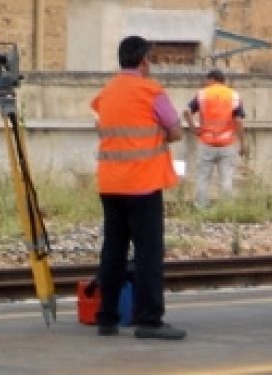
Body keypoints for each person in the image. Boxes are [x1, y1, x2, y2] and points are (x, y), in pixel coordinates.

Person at [90, 35, 187, 340]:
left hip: (110, 184)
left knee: (113, 251)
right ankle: (149, 320)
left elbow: (102, 126)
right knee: (148, 254)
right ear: (144, 60)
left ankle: (107, 318)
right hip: (143, 185)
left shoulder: (105, 93)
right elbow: (175, 132)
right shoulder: (151, 91)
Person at [182, 68, 246, 209]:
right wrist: (242, 143)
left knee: (203, 177)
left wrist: (194, 129)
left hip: (207, 142)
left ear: (212, 79)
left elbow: (186, 111)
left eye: (207, 80)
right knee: (226, 178)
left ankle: (201, 208)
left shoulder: (202, 94)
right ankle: (226, 209)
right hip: (227, 144)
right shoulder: (234, 95)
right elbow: (239, 121)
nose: (205, 83)